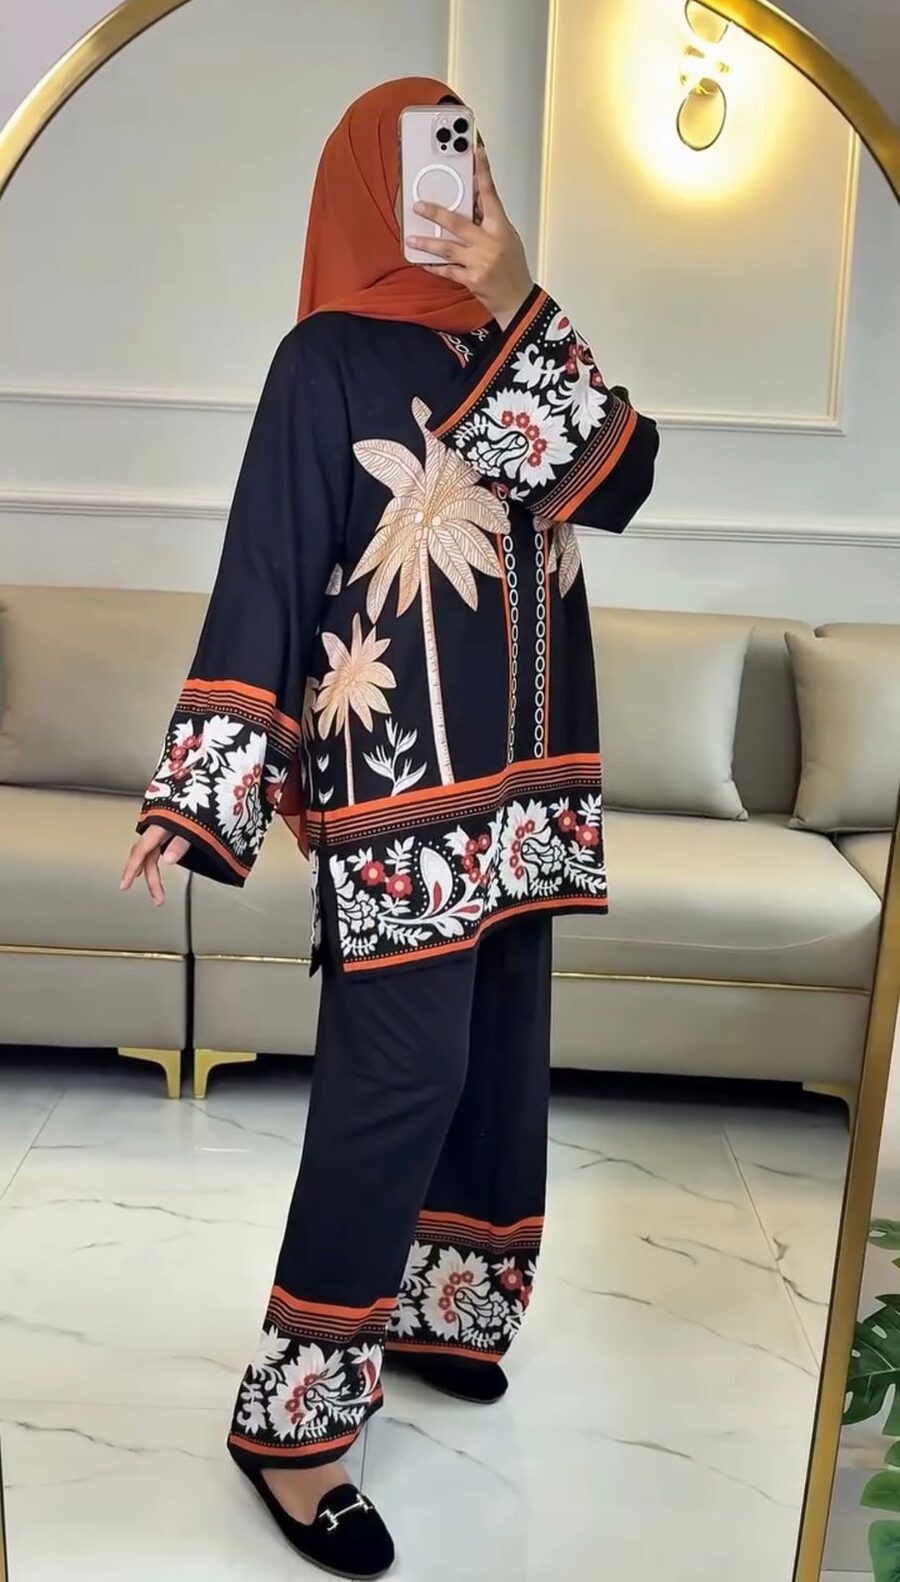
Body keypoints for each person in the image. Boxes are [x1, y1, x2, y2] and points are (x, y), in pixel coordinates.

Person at [121, 75, 658, 1580]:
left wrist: (520, 293)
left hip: (529, 795)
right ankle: (293, 1433)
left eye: (467, 155)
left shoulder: (518, 343)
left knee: (489, 1069)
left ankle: (439, 1314)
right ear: (370, 179)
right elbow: (271, 568)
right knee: (398, 1080)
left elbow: (622, 477)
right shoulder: (326, 361)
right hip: (402, 795)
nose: (452, 181)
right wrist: (205, 787)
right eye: (426, 157)